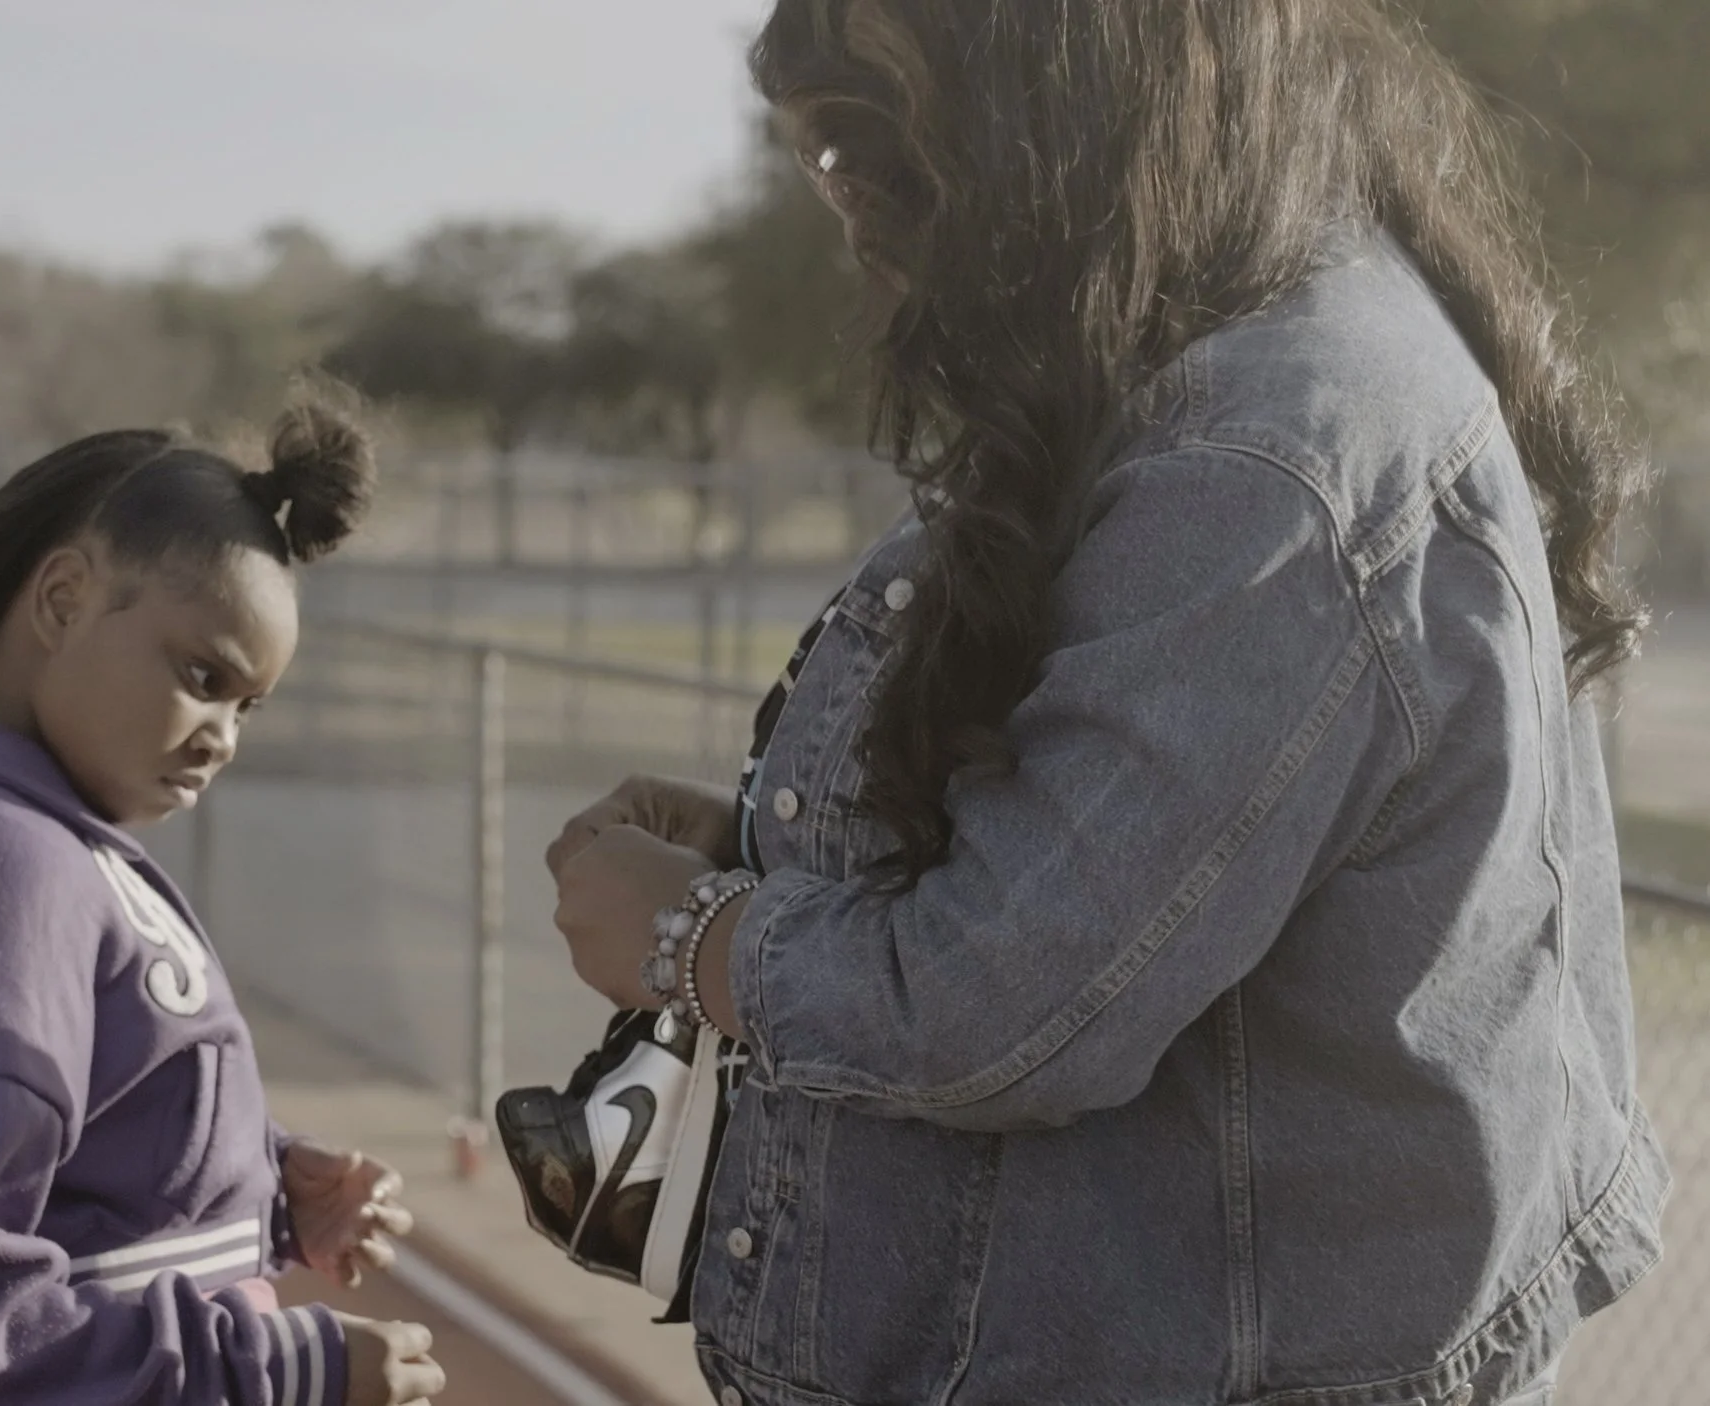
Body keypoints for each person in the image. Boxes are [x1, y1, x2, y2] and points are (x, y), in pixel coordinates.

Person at [545, 4, 1663, 1405]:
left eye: (851, 143)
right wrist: (781, 856)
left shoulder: (1268, 460)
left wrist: (690, 936)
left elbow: (1003, 1005)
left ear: (1033, 101)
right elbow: (1128, 869)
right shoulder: (1222, 356)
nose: (844, 211)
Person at [0, 398, 447, 1406]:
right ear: (63, 599)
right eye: (203, 675)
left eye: (246, 706)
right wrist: (281, 1373)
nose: (223, 737)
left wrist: (259, 1180)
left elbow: (79, 1123)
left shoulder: (22, 837)